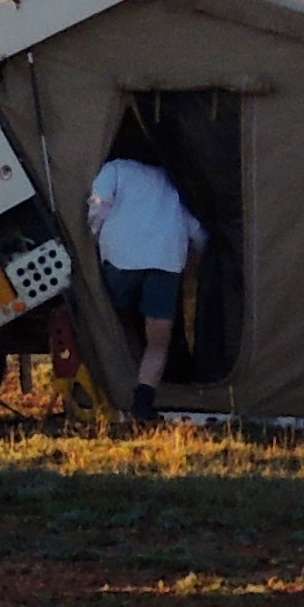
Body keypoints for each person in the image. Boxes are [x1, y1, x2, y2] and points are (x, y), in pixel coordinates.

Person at [85, 141, 208, 424]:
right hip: (166, 260)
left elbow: (100, 205)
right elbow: (195, 229)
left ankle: (117, 384)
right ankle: (143, 402)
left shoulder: (115, 169)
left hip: (121, 258)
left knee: (115, 318)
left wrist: (91, 238)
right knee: (158, 341)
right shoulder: (173, 180)